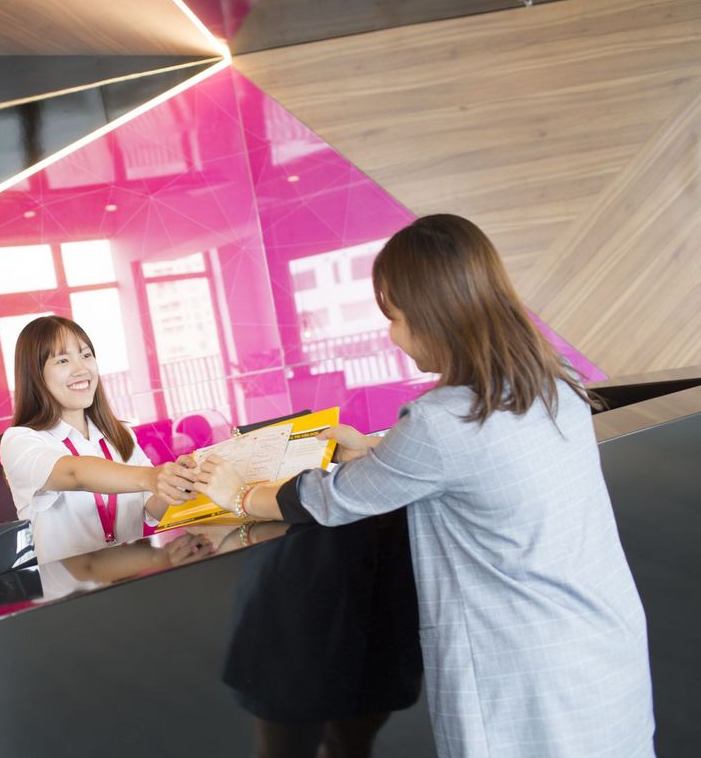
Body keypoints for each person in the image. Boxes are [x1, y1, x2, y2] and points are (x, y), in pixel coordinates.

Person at [193, 214, 655, 758]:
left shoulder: (442, 421)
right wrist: (377, 454)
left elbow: (331, 500)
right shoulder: (555, 383)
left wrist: (239, 493)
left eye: (395, 316)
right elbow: (476, 465)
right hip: (603, 646)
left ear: (434, 315)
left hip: (528, 675)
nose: (392, 334)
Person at [0, 315, 198, 564]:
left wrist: (177, 483)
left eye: (86, 355)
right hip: (70, 587)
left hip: (136, 576)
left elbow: (151, 508)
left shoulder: (120, 434)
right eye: (62, 360)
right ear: (35, 374)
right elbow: (75, 474)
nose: (81, 369)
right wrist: (150, 477)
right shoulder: (19, 441)